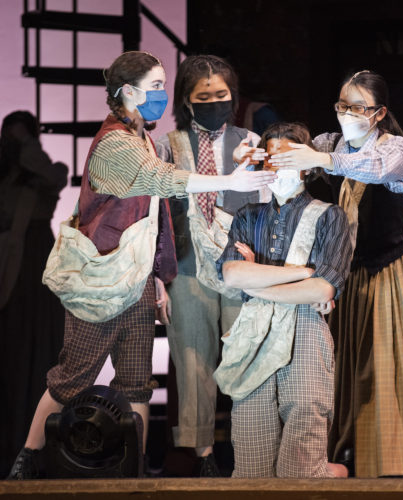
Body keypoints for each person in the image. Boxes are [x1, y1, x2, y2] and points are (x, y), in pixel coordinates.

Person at [7, 50, 275, 480]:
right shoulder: (116, 142)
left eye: (164, 85)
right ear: (128, 92)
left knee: (135, 381)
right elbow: (160, 179)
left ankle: (134, 470)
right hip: (103, 276)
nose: (161, 94)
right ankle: (27, 457)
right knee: (73, 376)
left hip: (137, 276)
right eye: (155, 86)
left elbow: (156, 218)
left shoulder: (143, 136)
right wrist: (229, 180)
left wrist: (157, 277)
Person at [269, 70, 403, 478]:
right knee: (353, 363)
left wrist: (320, 159)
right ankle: (353, 452)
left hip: (397, 270)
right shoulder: (331, 142)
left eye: (358, 107)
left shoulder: (394, 149)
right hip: (354, 269)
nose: (348, 113)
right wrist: (263, 150)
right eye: (343, 105)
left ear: (378, 113)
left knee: (392, 364)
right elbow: (291, 148)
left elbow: (374, 169)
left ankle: (400, 461)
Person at [214, 122, 352, 478]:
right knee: (252, 464)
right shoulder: (248, 216)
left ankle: (331, 475)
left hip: (305, 328)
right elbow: (232, 274)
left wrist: (256, 280)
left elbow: (323, 290)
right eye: (271, 158)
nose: (277, 166)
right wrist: (303, 273)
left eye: (288, 158)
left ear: (307, 164)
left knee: (301, 459)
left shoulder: (329, 215)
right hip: (254, 332)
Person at [154, 55, 269, 477]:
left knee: (245, 356)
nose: (214, 103)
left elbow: (263, 201)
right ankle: (202, 456)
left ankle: (250, 449)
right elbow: (156, 215)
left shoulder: (249, 139)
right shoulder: (168, 144)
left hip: (238, 264)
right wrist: (157, 278)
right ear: (187, 100)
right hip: (187, 266)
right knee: (192, 360)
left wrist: (260, 260)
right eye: (204, 97)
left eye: (221, 95)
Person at [0, 111, 67, 478]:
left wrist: (27, 148)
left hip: (37, 264)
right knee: (10, 351)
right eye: (9, 137)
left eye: (22, 137)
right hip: (7, 267)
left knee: (41, 349)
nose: (14, 144)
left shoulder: (48, 173)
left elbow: (53, 179)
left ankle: (37, 445)